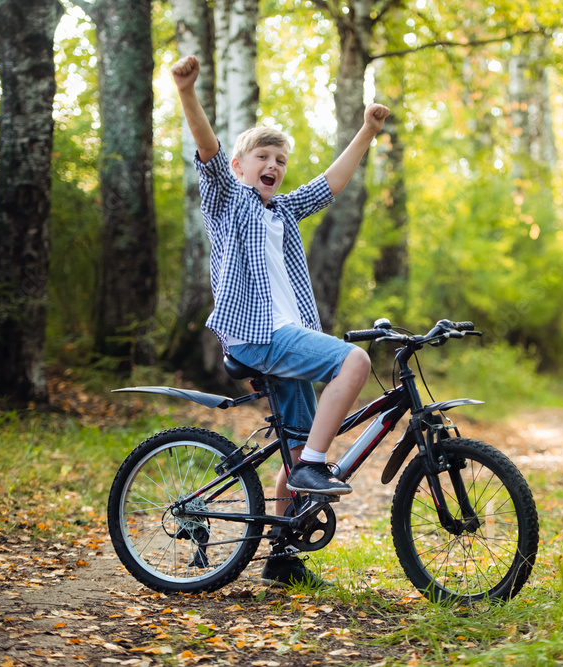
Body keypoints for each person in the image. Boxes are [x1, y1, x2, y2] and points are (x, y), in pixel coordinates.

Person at [170, 54, 389, 588]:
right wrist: (186, 91)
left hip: (286, 338)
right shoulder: (229, 201)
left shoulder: (283, 210)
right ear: (241, 167)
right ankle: (317, 462)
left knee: (292, 449)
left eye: (279, 160)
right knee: (353, 361)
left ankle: (283, 553)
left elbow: (331, 182)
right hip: (256, 334)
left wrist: (366, 131)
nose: (272, 165)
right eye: (262, 156)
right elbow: (207, 149)